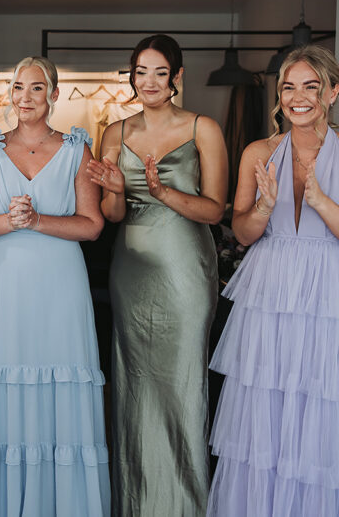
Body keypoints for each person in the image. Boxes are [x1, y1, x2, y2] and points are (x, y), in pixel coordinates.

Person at [206, 45, 339, 516]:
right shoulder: (259, 152)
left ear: (333, 92)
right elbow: (243, 233)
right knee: (265, 412)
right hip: (271, 295)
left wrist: (323, 203)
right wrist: (265, 207)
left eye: (311, 86)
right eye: (288, 87)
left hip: (334, 300)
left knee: (325, 413)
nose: (298, 97)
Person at [0, 56, 110, 516]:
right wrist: (9, 221)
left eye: (36, 88)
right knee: (8, 379)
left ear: (54, 95)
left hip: (60, 287)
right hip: (6, 288)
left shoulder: (78, 150)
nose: (25, 97)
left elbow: (92, 225)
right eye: (18, 88)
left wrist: (39, 220)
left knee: (61, 379)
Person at [86, 34, 227, 515]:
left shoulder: (202, 128)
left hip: (185, 267)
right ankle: (137, 500)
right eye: (140, 72)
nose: (148, 82)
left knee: (182, 382)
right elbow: (112, 215)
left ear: (177, 77)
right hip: (132, 272)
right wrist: (114, 190)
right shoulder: (114, 133)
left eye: (159, 72)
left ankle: (186, 502)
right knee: (134, 383)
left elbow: (214, 209)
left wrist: (163, 193)